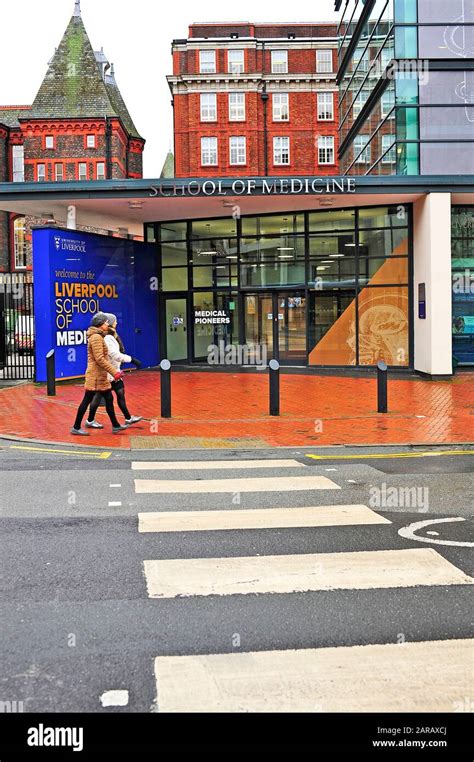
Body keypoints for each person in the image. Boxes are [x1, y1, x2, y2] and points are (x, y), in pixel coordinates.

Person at [71, 313, 128, 436]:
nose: (108, 324)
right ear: (101, 324)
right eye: (106, 322)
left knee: (109, 398)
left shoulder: (99, 336)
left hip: (100, 375)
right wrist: (115, 372)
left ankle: (116, 425)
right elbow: (100, 359)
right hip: (96, 376)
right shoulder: (96, 337)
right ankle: (76, 427)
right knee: (86, 400)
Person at [85, 313, 143, 429]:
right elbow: (114, 355)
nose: (116, 323)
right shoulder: (107, 337)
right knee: (98, 398)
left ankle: (127, 418)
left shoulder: (111, 335)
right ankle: (90, 421)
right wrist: (131, 360)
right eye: (114, 321)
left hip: (114, 371)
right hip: (108, 373)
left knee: (119, 394)